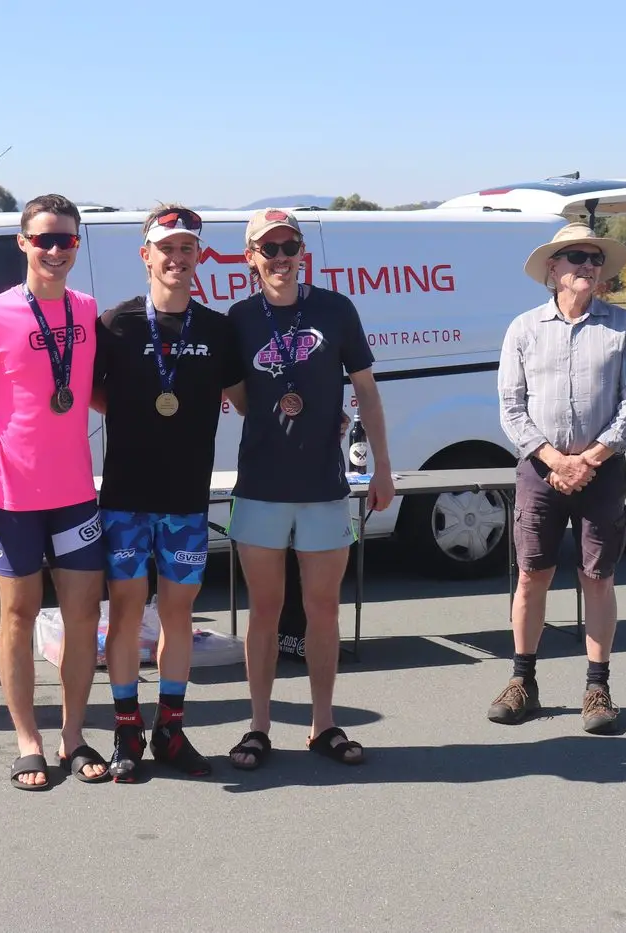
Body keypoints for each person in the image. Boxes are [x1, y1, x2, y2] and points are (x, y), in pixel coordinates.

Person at [0, 194, 110, 790]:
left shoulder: (88, 312)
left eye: (66, 239)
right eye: (44, 239)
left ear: (77, 245)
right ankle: (26, 740)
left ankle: (73, 734)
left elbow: (91, 393)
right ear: (23, 243)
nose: (56, 249)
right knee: (16, 616)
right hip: (12, 498)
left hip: (74, 496)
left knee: (82, 615)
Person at [223, 208, 395, 770]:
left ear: (303, 253)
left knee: (323, 610)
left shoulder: (335, 309)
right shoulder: (239, 319)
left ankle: (323, 724)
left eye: (287, 246)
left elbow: (366, 391)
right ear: (250, 257)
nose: (279, 258)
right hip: (261, 487)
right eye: (267, 249)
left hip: (324, 487)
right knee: (265, 612)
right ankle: (259, 727)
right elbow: (240, 398)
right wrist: (286, 416)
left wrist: (382, 468)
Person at [91, 205, 246, 782]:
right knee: (128, 615)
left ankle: (171, 730)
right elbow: (93, 393)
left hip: (185, 499)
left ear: (199, 257)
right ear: (145, 256)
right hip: (127, 498)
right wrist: (141, 418)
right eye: (166, 249)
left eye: (187, 249)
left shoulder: (218, 329)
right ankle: (127, 730)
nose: (176, 259)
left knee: (179, 615)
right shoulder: (117, 325)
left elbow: (244, 398)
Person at [489, 222, 626, 734]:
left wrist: (589, 460)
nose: (587, 266)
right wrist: (556, 461)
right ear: (552, 270)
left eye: (595, 259)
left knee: (597, 578)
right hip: (540, 471)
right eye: (576, 257)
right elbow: (511, 408)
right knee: (532, 575)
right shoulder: (523, 329)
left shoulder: (625, 327)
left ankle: (598, 687)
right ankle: (522, 683)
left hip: (602, 472)